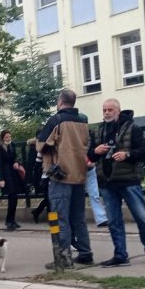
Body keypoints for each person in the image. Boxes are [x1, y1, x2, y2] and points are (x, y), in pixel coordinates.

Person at [89, 99, 145, 267]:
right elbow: (90, 155)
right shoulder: (98, 131)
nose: (107, 113)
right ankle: (120, 255)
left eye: (110, 109)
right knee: (114, 221)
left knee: (141, 217)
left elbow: (144, 151)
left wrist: (127, 155)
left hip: (128, 180)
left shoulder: (133, 128)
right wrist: (95, 151)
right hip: (107, 182)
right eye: (104, 110)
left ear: (118, 111)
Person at [36, 89, 93, 269]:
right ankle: (85, 253)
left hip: (60, 175)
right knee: (78, 218)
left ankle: (63, 258)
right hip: (79, 175)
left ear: (60, 102)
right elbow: (87, 144)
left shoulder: (56, 120)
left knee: (61, 218)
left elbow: (41, 144)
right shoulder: (83, 121)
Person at [0, 131, 25, 231]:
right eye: (6, 137)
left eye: (10, 137)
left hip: (13, 173)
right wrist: (1, 178)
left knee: (14, 197)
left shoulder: (12, 145)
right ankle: (9, 221)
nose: (9, 139)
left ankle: (12, 220)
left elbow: (14, 158)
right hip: (6, 175)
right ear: (2, 138)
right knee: (11, 197)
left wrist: (16, 162)